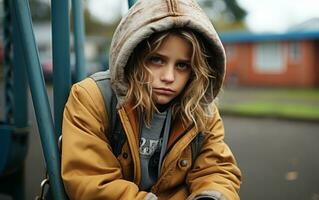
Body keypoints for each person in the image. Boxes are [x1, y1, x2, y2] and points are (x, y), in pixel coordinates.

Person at [61, 0, 242, 199]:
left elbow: (216, 170)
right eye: (156, 60)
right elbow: (91, 180)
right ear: (133, 57)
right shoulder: (93, 98)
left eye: (182, 65)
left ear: (196, 70)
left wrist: (210, 197)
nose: (169, 77)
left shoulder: (201, 111)